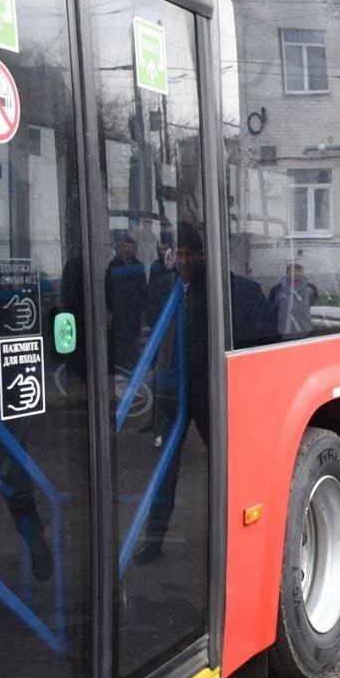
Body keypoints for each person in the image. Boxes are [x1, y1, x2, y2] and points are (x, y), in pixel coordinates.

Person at [136, 220, 210, 565]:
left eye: (188, 254)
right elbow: (153, 325)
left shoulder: (210, 291)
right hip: (171, 389)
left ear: (199, 257)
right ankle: (154, 538)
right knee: (165, 468)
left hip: (204, 391)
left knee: (226, 461)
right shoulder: (165, 287)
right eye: (177, 253)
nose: (182, 260)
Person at [105, 231, 148, 370]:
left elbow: (143, 289)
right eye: (124, 246)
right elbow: (108, 287)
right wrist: (111, 308)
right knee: (120, 340)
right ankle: (120, 365)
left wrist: (140, 309)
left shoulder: (138, 265)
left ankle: (131, 366)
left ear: (133, 248)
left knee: (132, 343)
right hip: (119, 311)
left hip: (133, 313)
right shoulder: (114, 265)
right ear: (121, 248)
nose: (127, 249)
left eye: (129, 246)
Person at [268, 259, 317, 339]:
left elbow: (312, 305)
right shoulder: (277, 289)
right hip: (284, 333)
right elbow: (273, 309)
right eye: (293, 271)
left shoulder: (310, 289)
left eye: (299, 271)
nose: (297, 274)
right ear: (287, 273)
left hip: (305, 333)